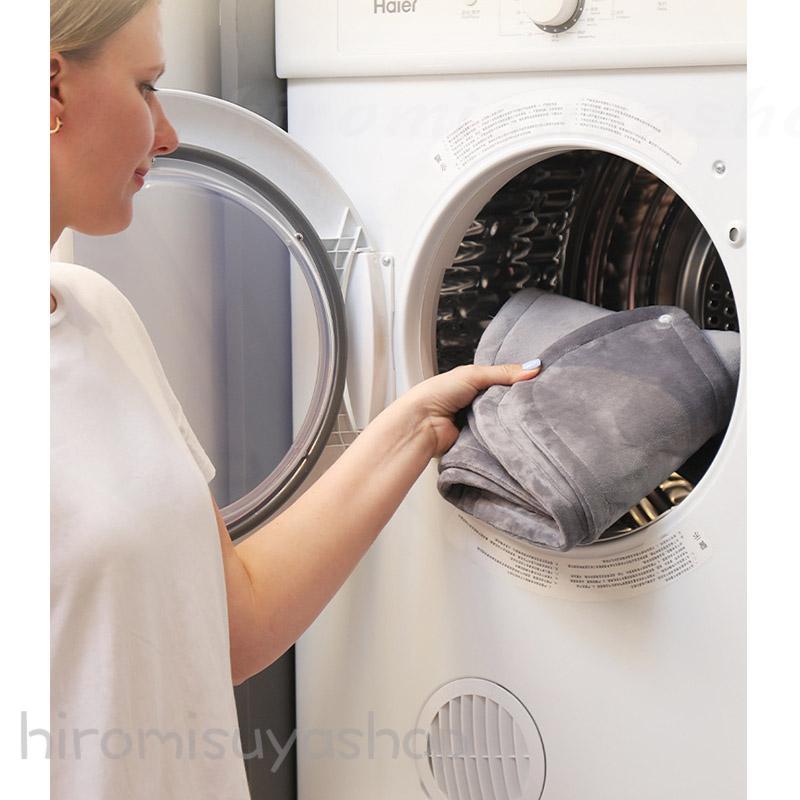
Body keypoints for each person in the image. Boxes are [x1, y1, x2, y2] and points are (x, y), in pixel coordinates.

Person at [49, 0, 542, 796]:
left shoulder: (98, 314)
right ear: (50, 89)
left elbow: (231, 625)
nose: (165, 133)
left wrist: (418, 424)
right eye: (145, 86)